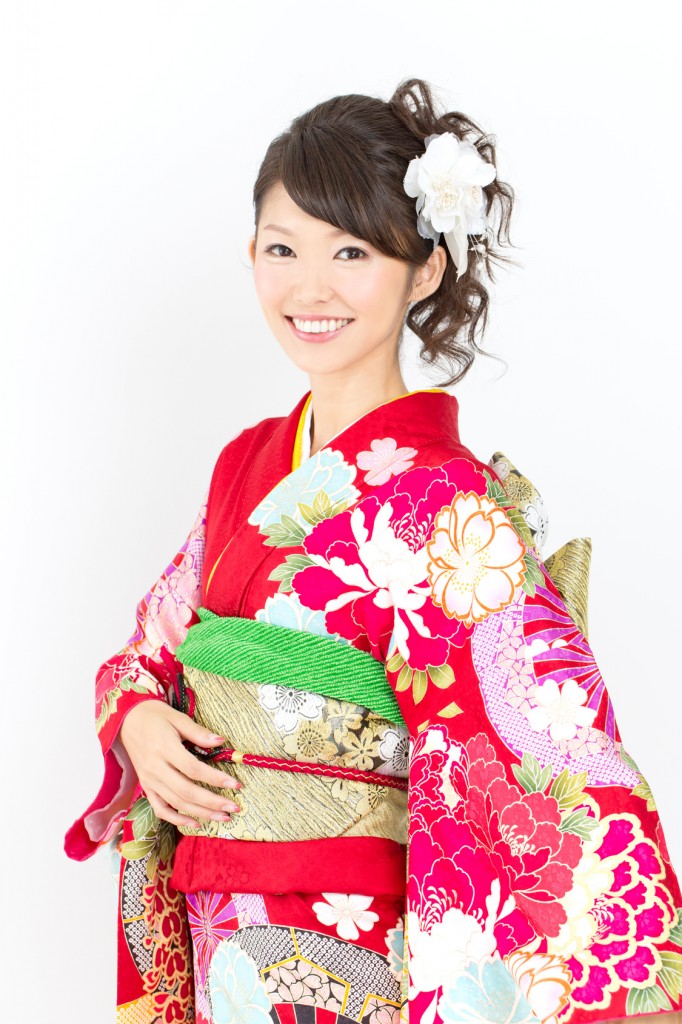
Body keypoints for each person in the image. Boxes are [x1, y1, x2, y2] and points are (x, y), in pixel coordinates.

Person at [65, 78, 682, 1024]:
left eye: (350, 252)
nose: (309, 289)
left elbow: (540, 751)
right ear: (252, 256)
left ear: (424, 269)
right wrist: (140, 720)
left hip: (356, 943)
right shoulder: (248, 466)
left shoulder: (448, 504)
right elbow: (148, 649)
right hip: (222, 921)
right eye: (283, 250)